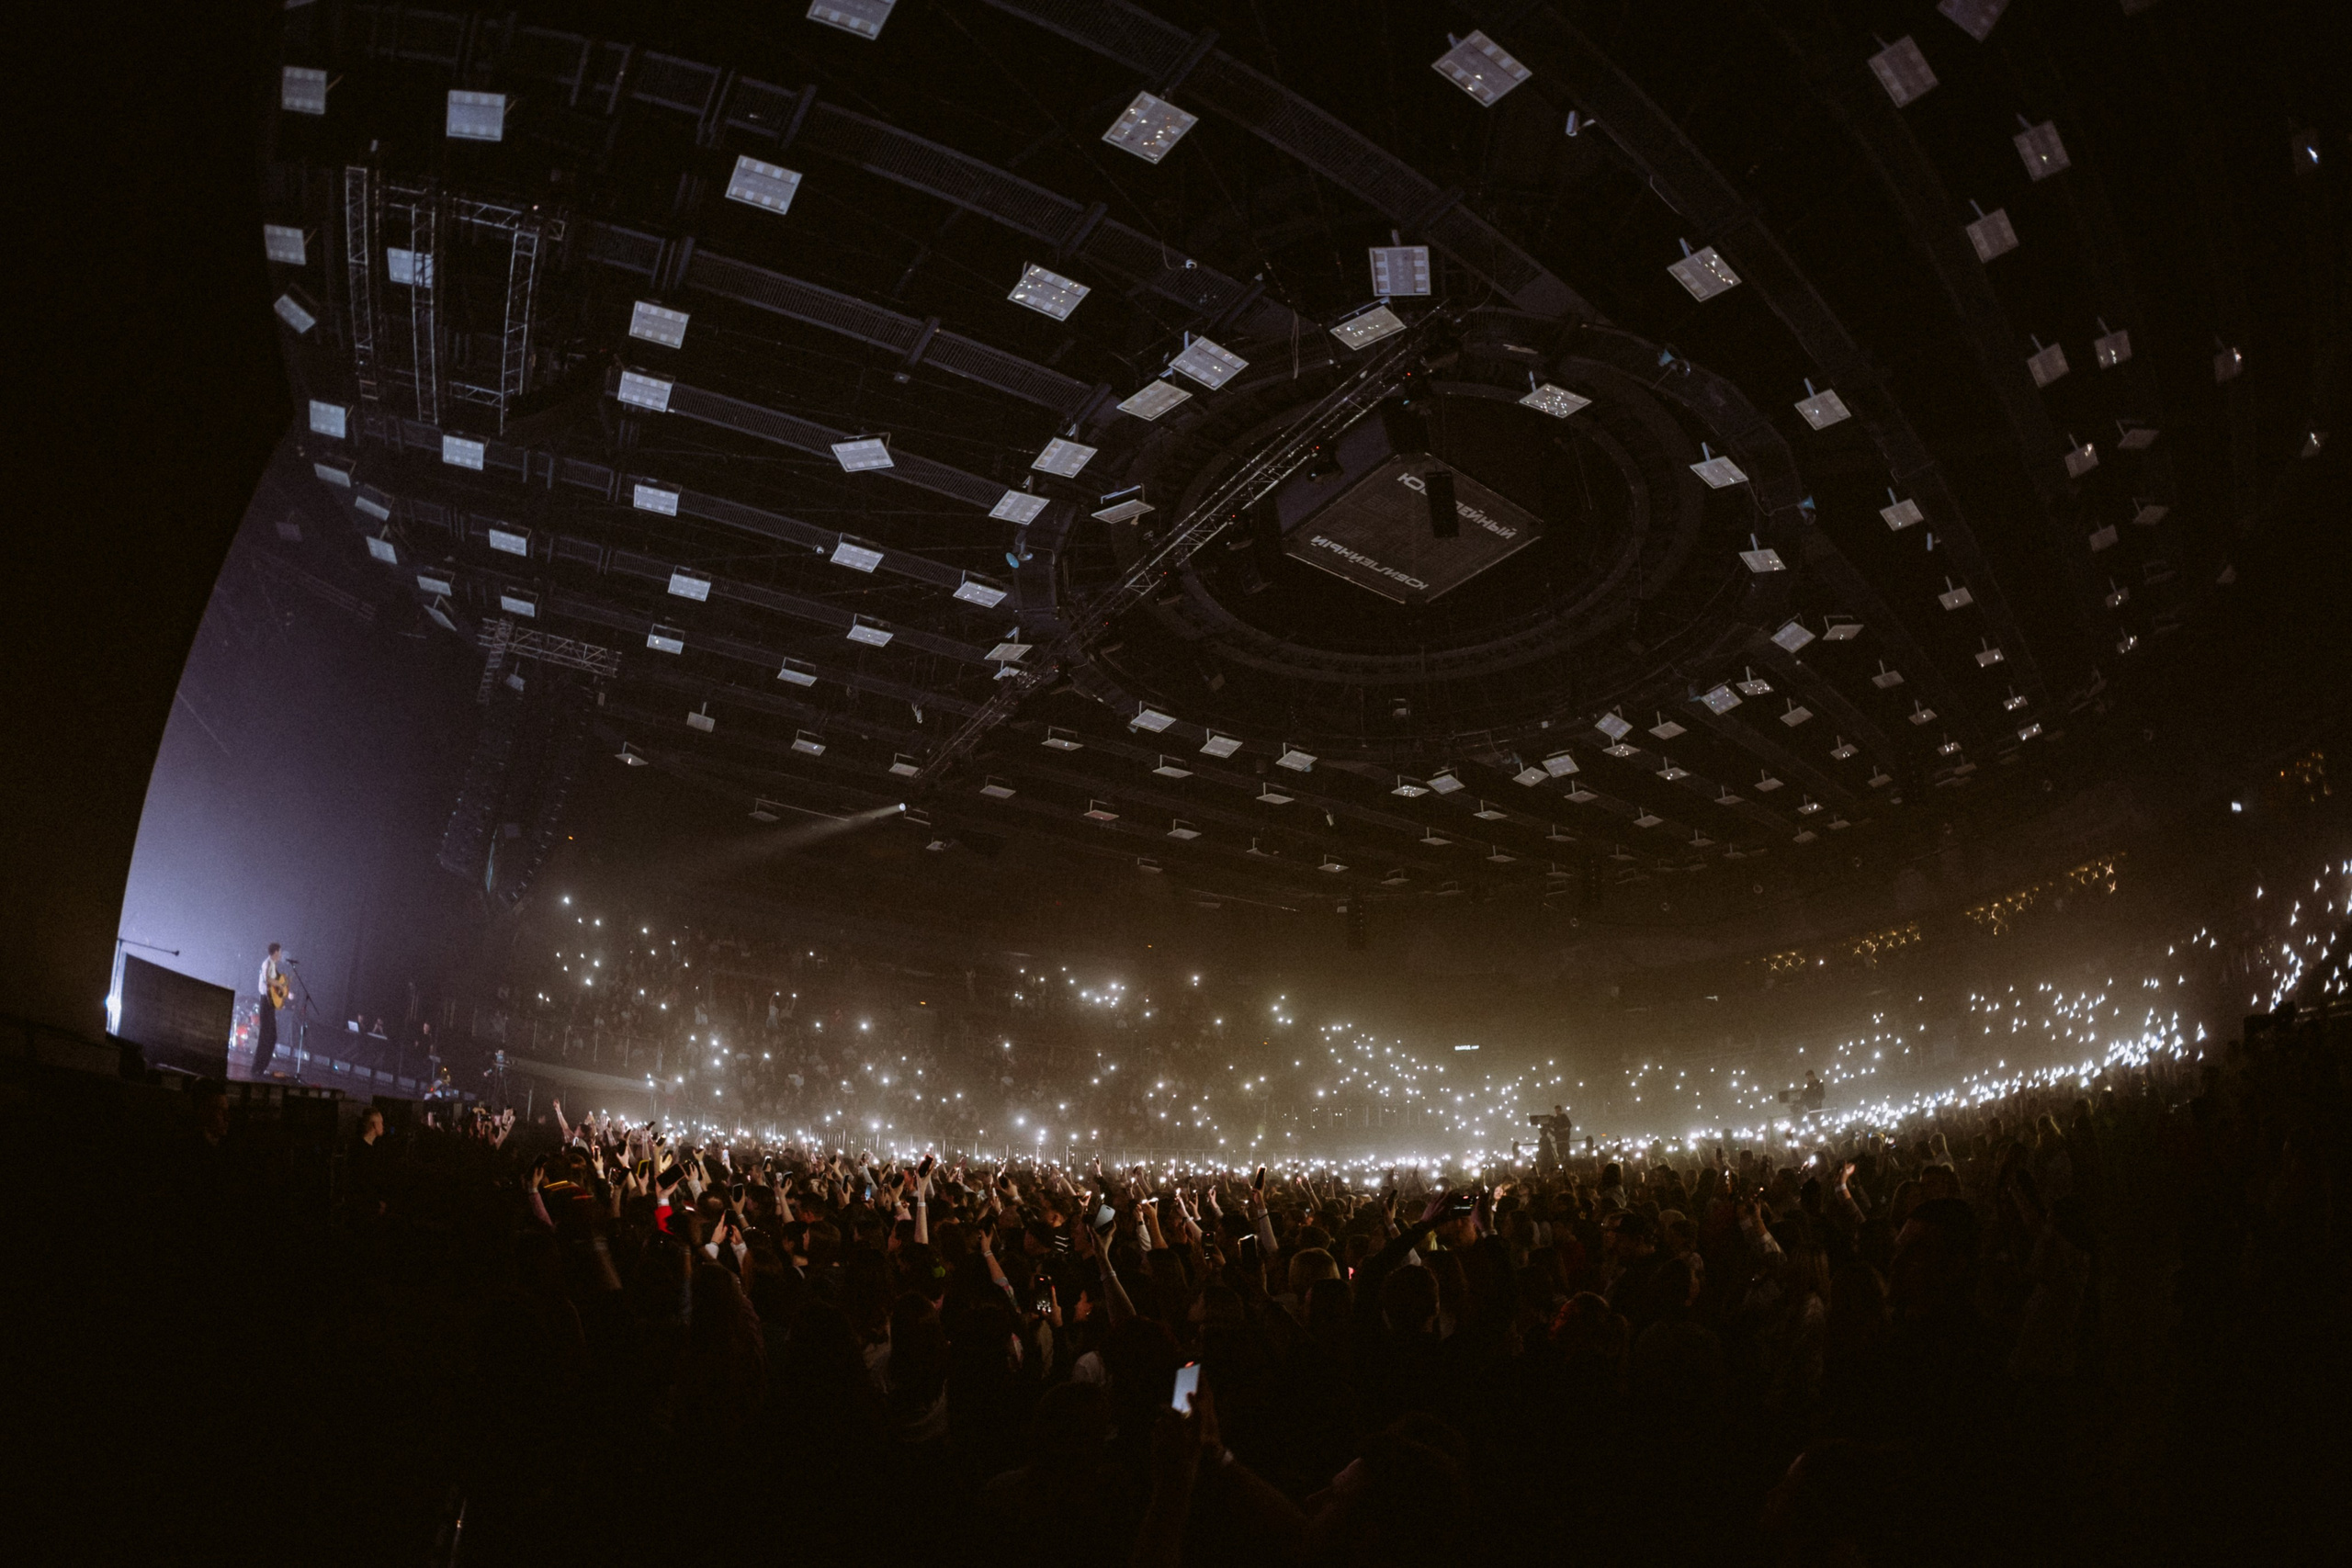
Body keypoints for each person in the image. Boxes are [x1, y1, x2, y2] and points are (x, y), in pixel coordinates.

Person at [253, 942, 287, 1079]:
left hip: (269, 1003)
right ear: (276, 952)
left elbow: (273, 988)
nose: (281, 954)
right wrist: (279, 984)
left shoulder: (273, 965)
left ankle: (262, 1067)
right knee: (265, 1035)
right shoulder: (267, 963)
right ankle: (257, 1067)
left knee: (272, 1036)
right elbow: (268, 980)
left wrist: (281, 997)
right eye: (280, 952)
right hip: (265, 1003)